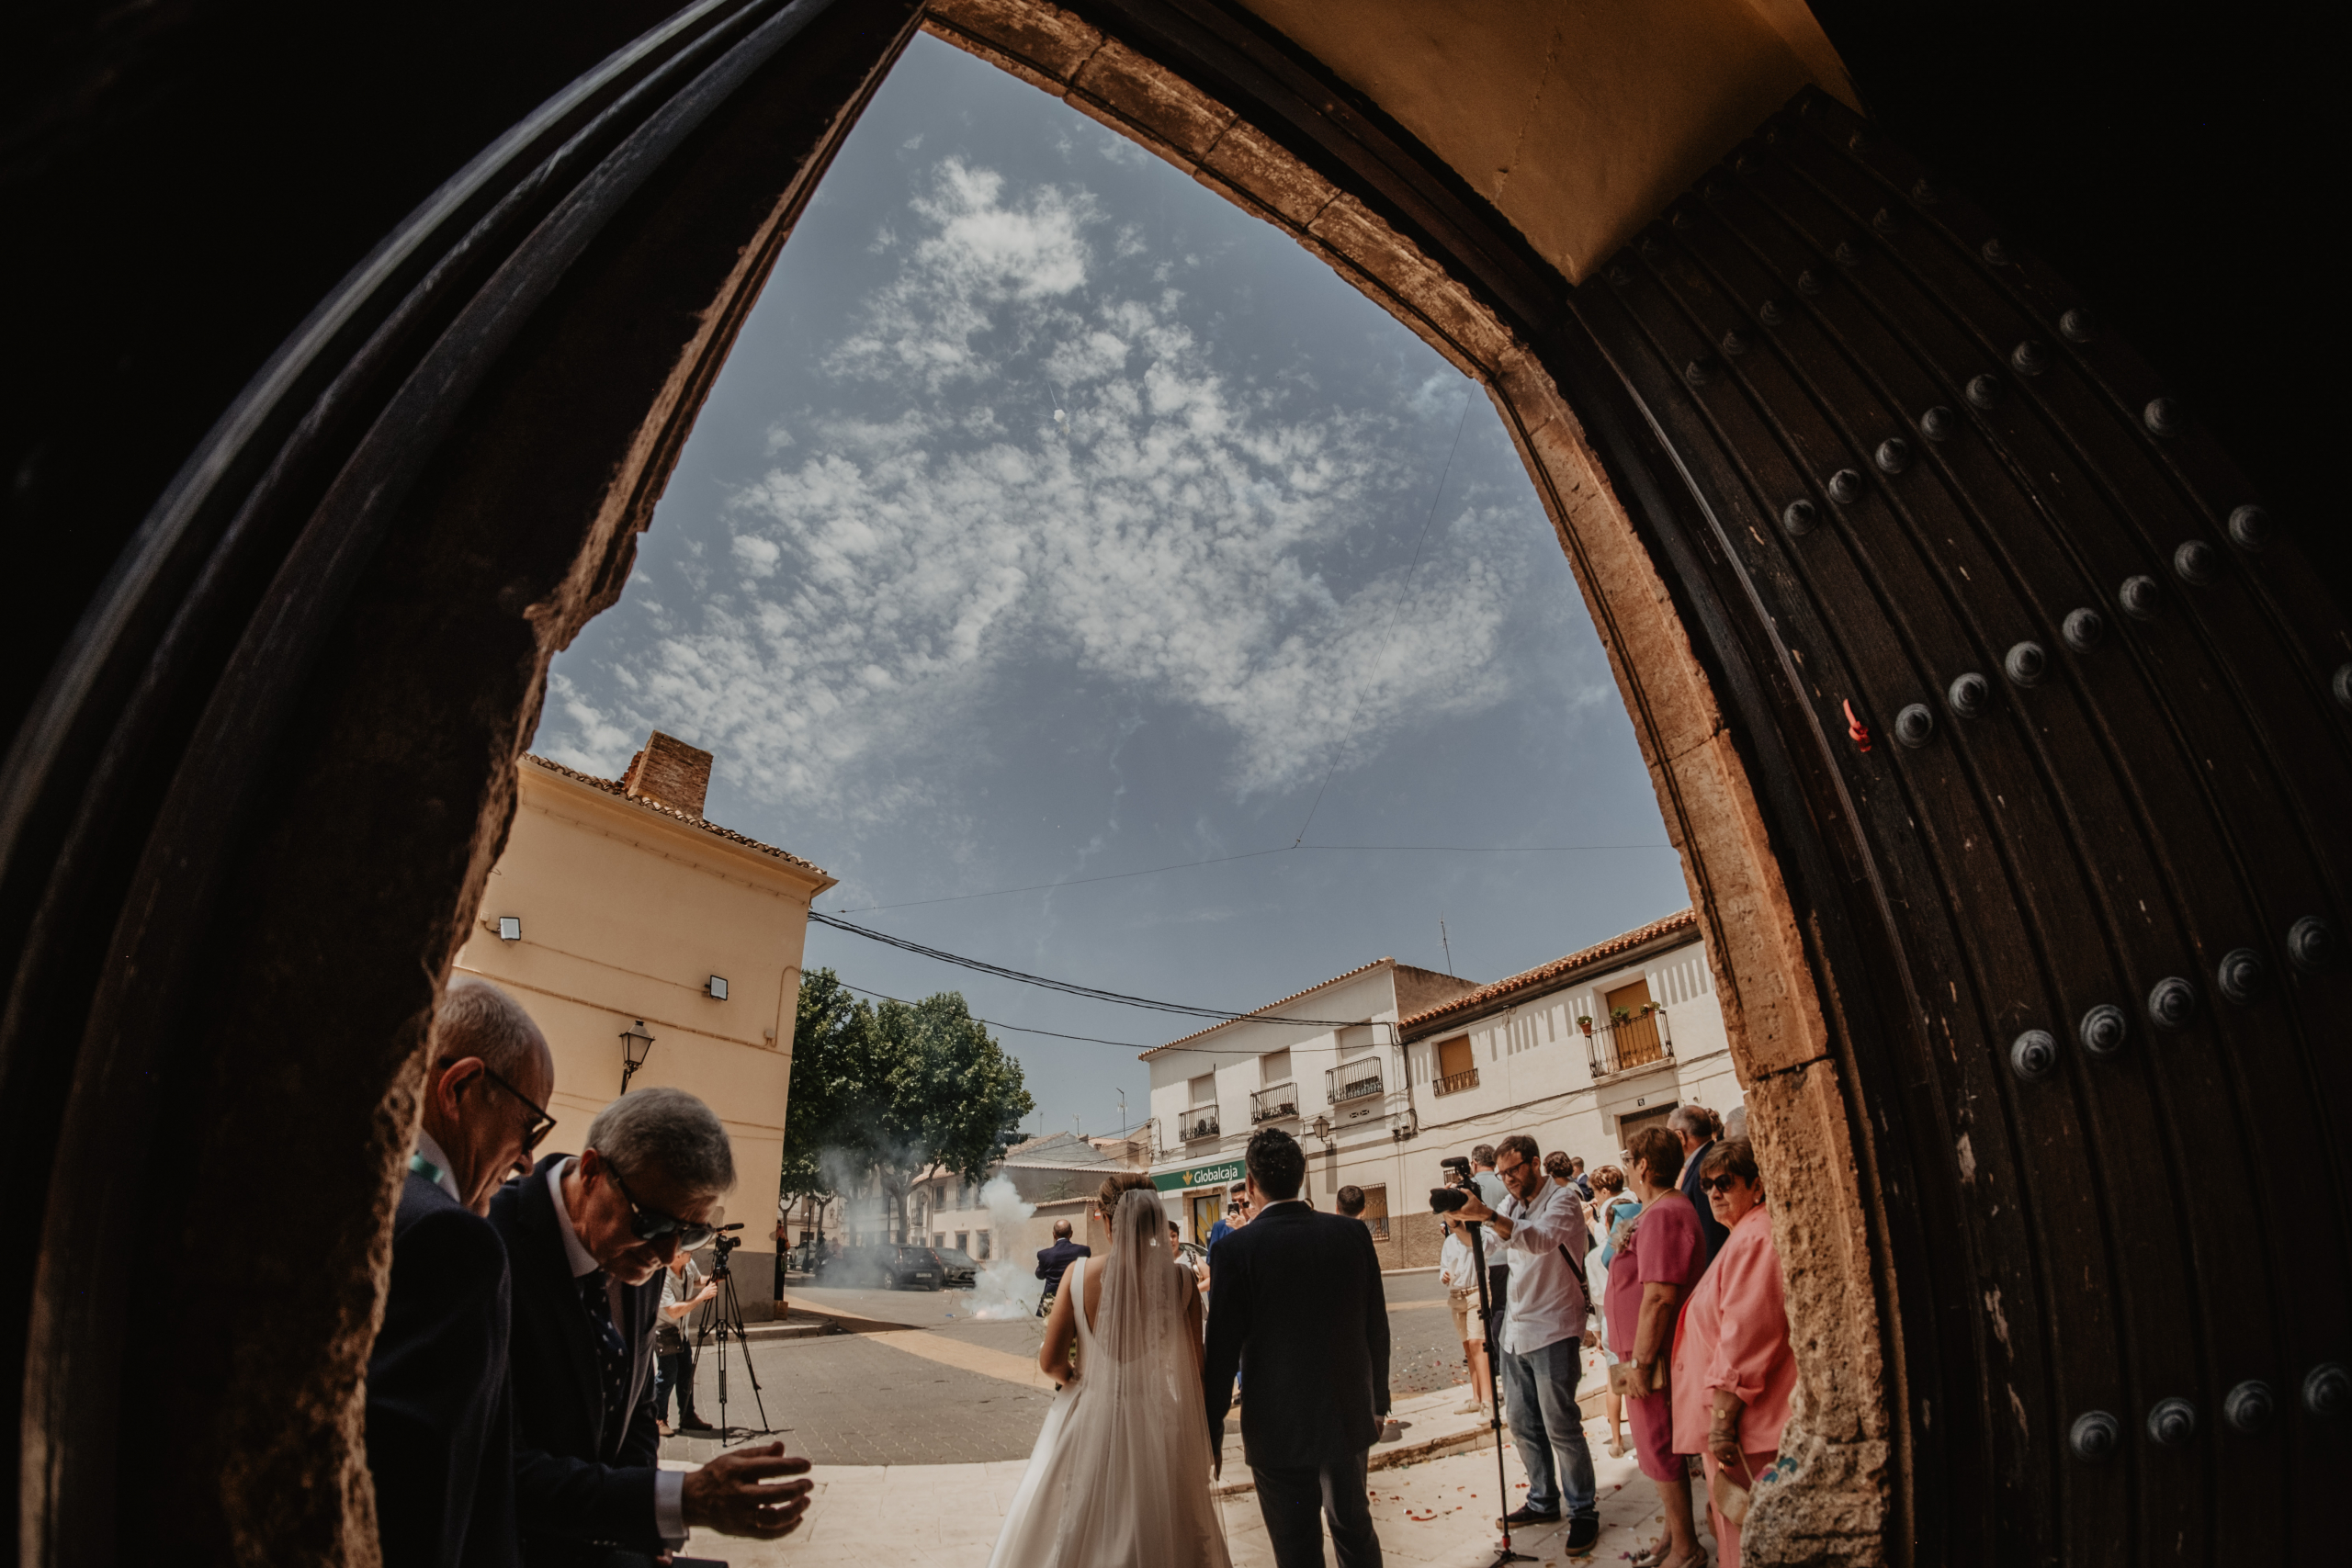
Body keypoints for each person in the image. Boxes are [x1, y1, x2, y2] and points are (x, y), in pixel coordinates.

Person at [491, 1087, 813, 1564]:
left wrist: (647, 1534)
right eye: (654, 1225)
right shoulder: (486, 1241)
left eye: (693, 1232)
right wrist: (677, 1500)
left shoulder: (645, 1254)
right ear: (592, 1172)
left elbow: (637, 1406)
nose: (668, 1254)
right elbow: (493, 1467)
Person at [366, 976, 554, 1568]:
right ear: (459, 1088)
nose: (528, 1160)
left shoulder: (366, 1196)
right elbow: (420, 1510)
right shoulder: (454, 1243)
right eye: (530, 1126)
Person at [989, 1174, 1227, 1566]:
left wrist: (1078, 1378)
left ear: (1106, 1220)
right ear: (1154, 1220)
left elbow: (1050, 1361)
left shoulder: (1078, 1275)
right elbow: (1196, 1375)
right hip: (1157, 1420)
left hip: (1089, 1414)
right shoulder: (1182, 1280)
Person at [1204, 1129, 1389, 1568]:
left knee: (1295, 1548)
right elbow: (1376, 1326)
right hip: (1346, 1412)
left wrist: (1211, 1433)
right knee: (1354, 1528)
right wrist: (1377, 1402)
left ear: (1250, 1184)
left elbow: (1222, 1353)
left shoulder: (1234, 1251)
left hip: (1276, 1426)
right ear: (1302, 1177)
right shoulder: (1351, 1235)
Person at [1455, 1134, 1601, 1552]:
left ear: (1535, 1163)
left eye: (1514, 1170)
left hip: (1553, 1326)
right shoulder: (1510, 1204)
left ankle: (1583, 1511)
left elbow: (1538, 1239)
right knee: (1521, 1422)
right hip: (1515, 1331)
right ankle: (1542, 1499)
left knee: (1561, 1425)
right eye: (1503, 1173)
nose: (1509, 1179)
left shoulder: (1564, 1200)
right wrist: (1459, 1219)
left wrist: (1487, 1214)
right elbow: (1486, 1244)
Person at [1671, 1139, 1794, 1568]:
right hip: (1742, 1426)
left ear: (1756, 1186)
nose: (1714, 1193)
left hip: (1749, 1427)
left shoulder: (1756, 1237)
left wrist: (1722, 1423)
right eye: (1707, 1185)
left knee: (1748, 1542)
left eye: (1725, 1182)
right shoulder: (1743, 1233)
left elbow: (1745, 1336)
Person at [1608, 1126, 1709, 1568]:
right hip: (1642, 1351)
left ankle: (1686, 1548)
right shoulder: (1658, 1209)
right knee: (1656, 1447)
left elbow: (1659, 1296)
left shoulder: (1665, 1213)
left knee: (1659, 1446)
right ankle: (1673, 1533)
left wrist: (1641, 1363)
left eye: (1630, 1161)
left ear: (1644, 1165)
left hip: (1653, 1356)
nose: (1628, 1169)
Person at [1584, 1165, 1641, 1458]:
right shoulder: (1633, 1247)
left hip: (1609, 1319)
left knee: (1613, 1379)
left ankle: (1617, 1440)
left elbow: (1595, 1298)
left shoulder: (1596, 1256)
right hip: (1634, 1315)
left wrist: (1594, 1331)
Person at [653, 1249, 718, 1436]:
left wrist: (713, 1278)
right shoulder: (662, 1275)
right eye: (687, 1249)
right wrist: (701, 1297)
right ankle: (658, 1419)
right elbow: (673, 1311)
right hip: (664, 1331)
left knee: (686, 1374)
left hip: (682, 1332)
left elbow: (697, 1280)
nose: (691, 1251)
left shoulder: (688, 1264)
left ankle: (688, 1416)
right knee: (668, 1375)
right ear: (675, 1255)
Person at [1438, 1215, 1494, 1416]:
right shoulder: (1449, 1242)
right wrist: (1444, 1275)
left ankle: (1488, 1400)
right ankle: (1477, 1398)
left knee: (1477, 1344)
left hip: (1475, 1293)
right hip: (1456, 1298)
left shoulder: (1477, 1235)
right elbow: (1444, 1267)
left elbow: (1488, 1249)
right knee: (1468, 1349)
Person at [1669, 1105, 1730, 1264]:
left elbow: (1710, 1232)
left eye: (1670, 1137)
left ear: (1681, 1137)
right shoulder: (1707, 1158)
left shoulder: (1705, 1167)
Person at [1470, 1144, 1510, 1319]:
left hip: (1476, 1257)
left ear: (1474, 1163)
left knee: (1480, 1308)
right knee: (1502, 1305)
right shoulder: (1505, 1183)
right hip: (1504, 1255)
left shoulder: (1467, 1187)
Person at [1035, 1219, 1091, 1306]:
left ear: (1054, 1235)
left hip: (1052, 1301)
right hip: (1076, 1299)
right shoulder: (1084, 1251)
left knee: (1047, 1316)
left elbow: (1040, 1275)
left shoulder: (1044, 1255)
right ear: (1071, 1233)